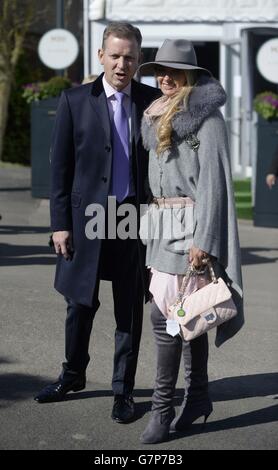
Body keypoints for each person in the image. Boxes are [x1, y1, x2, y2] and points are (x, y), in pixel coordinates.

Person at [34, 22, 160, 424]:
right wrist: (59, 224)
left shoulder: (153, 102)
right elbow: (60, 168)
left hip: (132, 221)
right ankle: (72, 375)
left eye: (130, 57)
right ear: (101, 56)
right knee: (79, 306)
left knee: (130, 311)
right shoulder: (73, 101)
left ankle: (123, 390)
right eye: (116, 55)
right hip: (86, 219)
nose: (122, 64)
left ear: (139, 61)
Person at [137, 39, 244, 444]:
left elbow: (215, 184)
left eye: (173, 71)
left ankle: (163, 410)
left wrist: (205, 240)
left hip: (191, 230)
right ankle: (197, 396)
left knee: (165, 319)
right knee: (186, 315)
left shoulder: (207, 120)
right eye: (159, 71)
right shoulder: (156, 113)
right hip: (162, 227)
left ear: (191, 76)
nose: (164, 77)